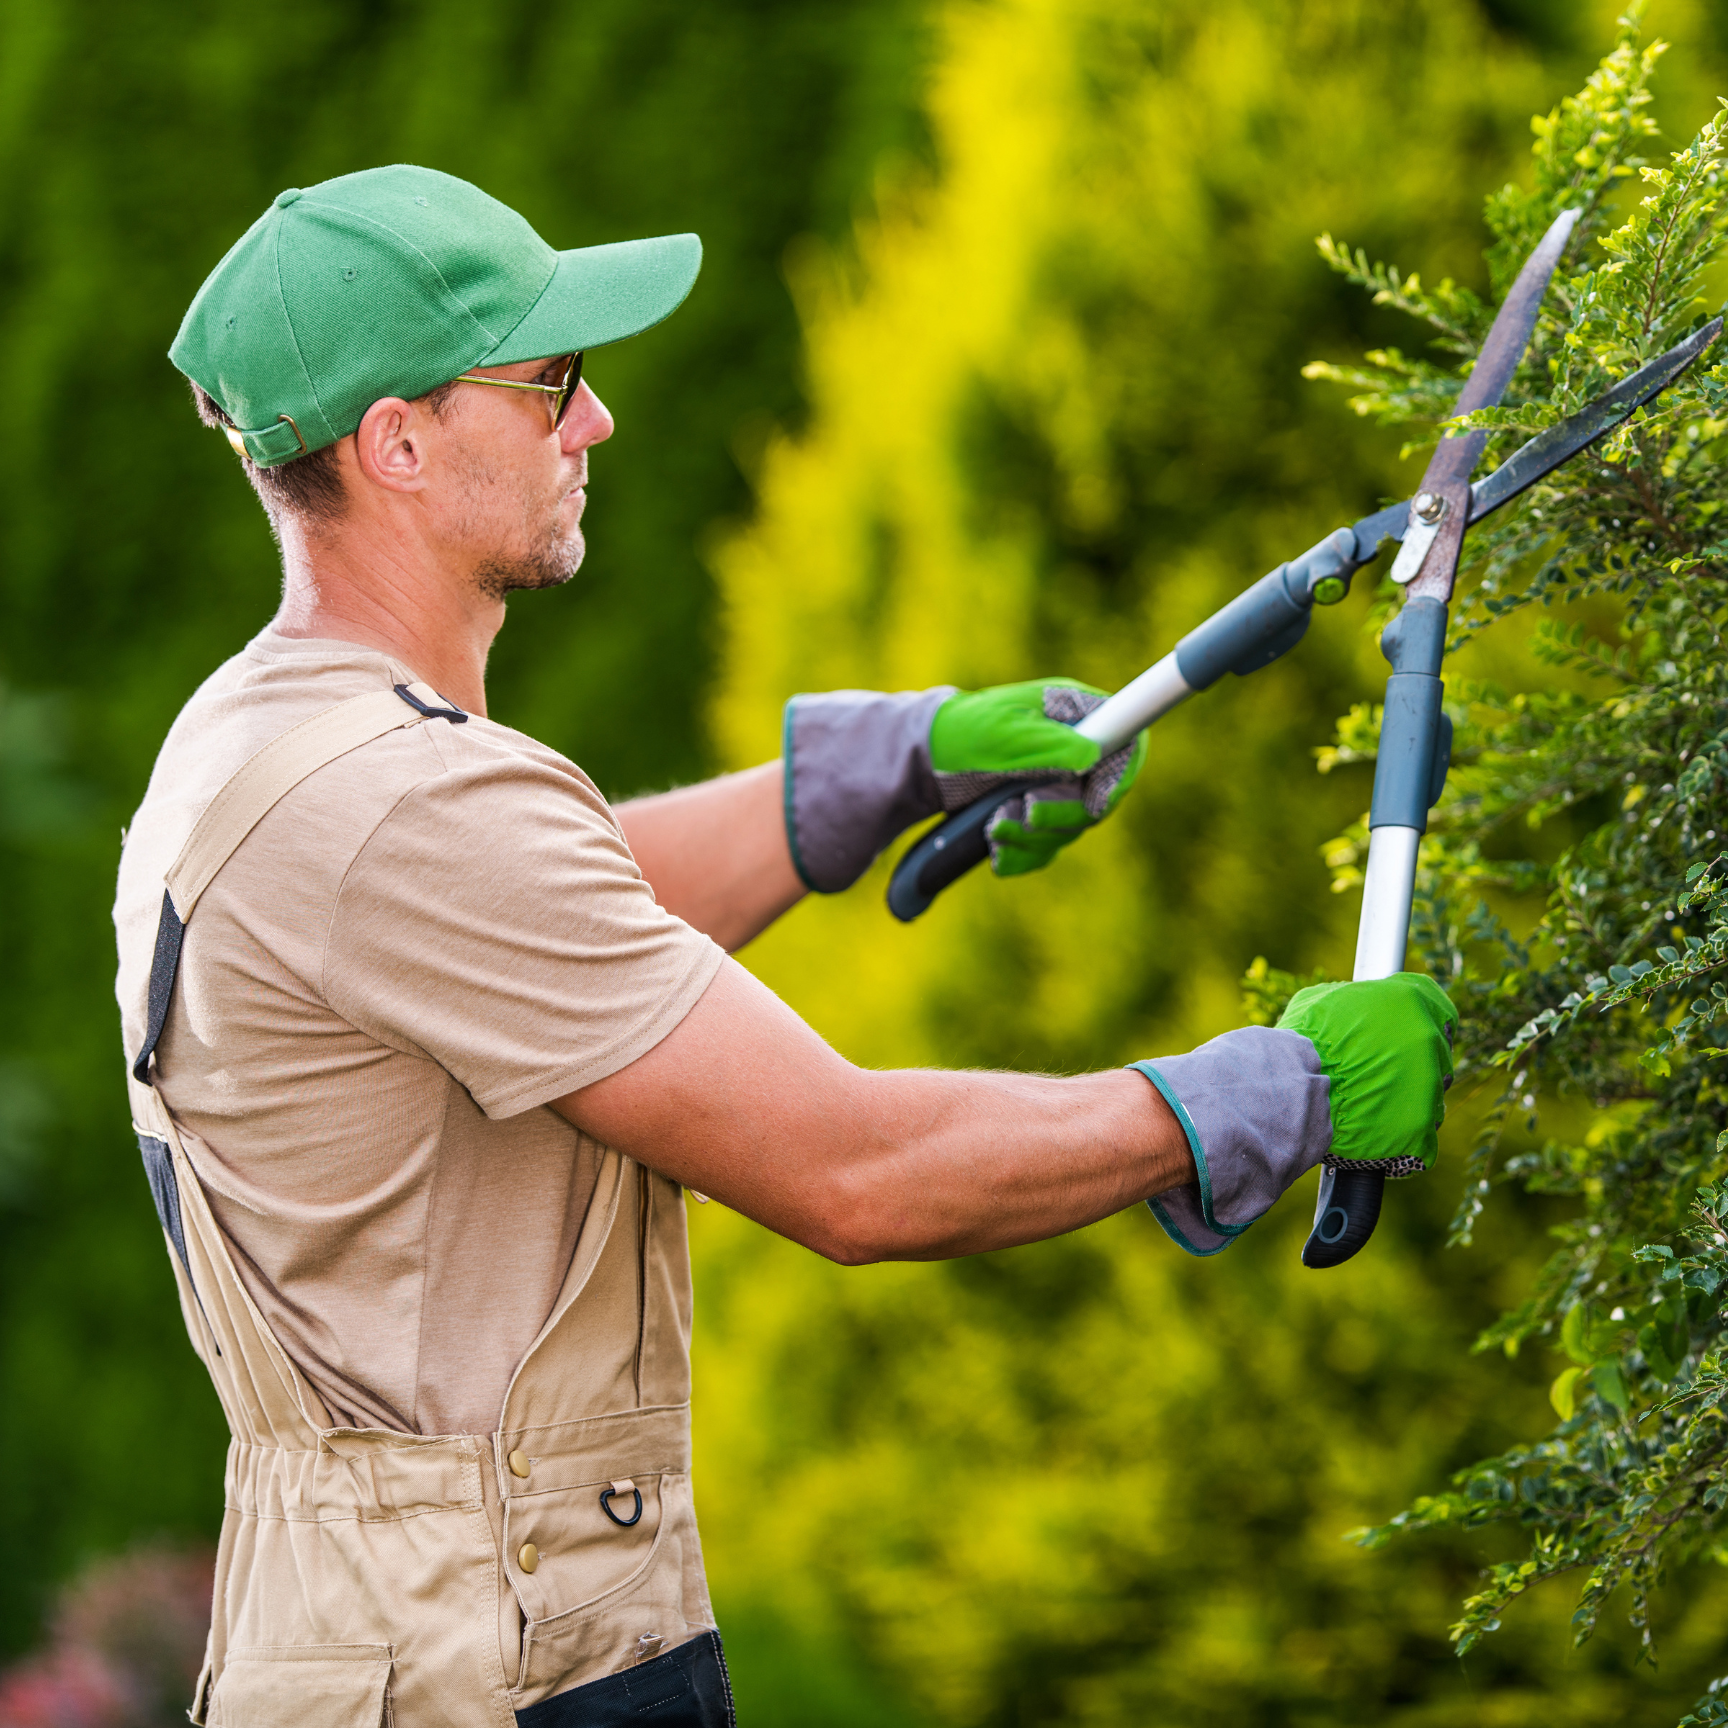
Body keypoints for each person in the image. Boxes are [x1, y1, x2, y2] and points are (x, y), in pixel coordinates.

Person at [113, 166, 1455, 1728]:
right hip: (501, 1672)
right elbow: (856, 1172)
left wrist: (890, 763)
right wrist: (1264, 1097)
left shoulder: (266, 743)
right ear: (397, 443)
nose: (594, 423)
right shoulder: (408, 804)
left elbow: (555, 916)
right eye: (549, 385)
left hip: (378, 1641)